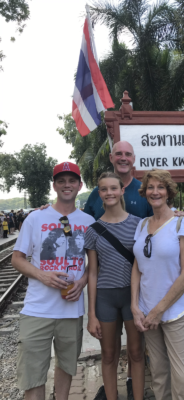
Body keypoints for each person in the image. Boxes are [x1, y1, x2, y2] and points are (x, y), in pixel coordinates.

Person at [11, 162, 95, 400]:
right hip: (37, 309)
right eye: (61, 181)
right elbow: (17, 259)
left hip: (71, 309)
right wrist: (42, 275)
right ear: (54, 185)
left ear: (79, 185)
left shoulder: (88, 222)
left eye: (71, 181)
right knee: (33, 374)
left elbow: (93, 264)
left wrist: (83, 282)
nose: (66, 185)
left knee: (67, 367)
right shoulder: (35, 218)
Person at [131, 169, 184, 400]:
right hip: (147, 311)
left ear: (168, 192)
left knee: (180, 375)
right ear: (145, 192)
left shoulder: (181, 222)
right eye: (150, 187)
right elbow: (137, 268)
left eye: (160, 187)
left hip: (174, 311)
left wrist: (159, 310)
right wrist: (135, 307)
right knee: (158, 372)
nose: (155, 192)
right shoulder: (141, 225)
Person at [85, 172, 144, 400]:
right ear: (99, 194)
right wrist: (91, 314)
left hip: (133, 297)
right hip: (105, 298)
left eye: (113, 188)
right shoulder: (93, 230)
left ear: (121, 191)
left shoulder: (138, 225)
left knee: (136, 353)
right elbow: (92, 273)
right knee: (108, 354)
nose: (109, 193)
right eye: (104, 189)